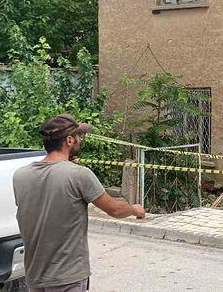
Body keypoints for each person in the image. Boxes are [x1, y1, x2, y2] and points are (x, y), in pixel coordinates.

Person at [13, 114, 146, 292]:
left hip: (34, 276)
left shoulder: (20, 175)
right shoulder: (78, 174)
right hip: (67, 277)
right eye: (78, 136)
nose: (80, 140)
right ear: (69, 140)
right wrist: (134, 210)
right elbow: (114, 210)